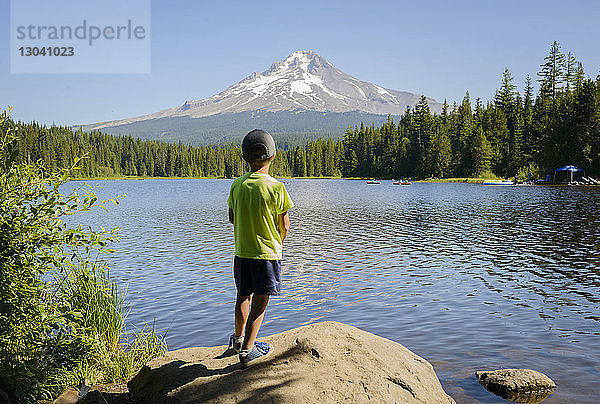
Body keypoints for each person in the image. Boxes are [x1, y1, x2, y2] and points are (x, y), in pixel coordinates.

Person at [227, 129, 294, 367]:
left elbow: (232, 218)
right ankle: (247, 351)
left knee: (243, 295)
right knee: (261, 300)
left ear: (245, 158)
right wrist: (278, 241)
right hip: (268, 254)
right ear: (273, 156)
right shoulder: (277, 188)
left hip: (242, 252)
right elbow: (284, 225)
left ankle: (237, 339)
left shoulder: (237, 186)